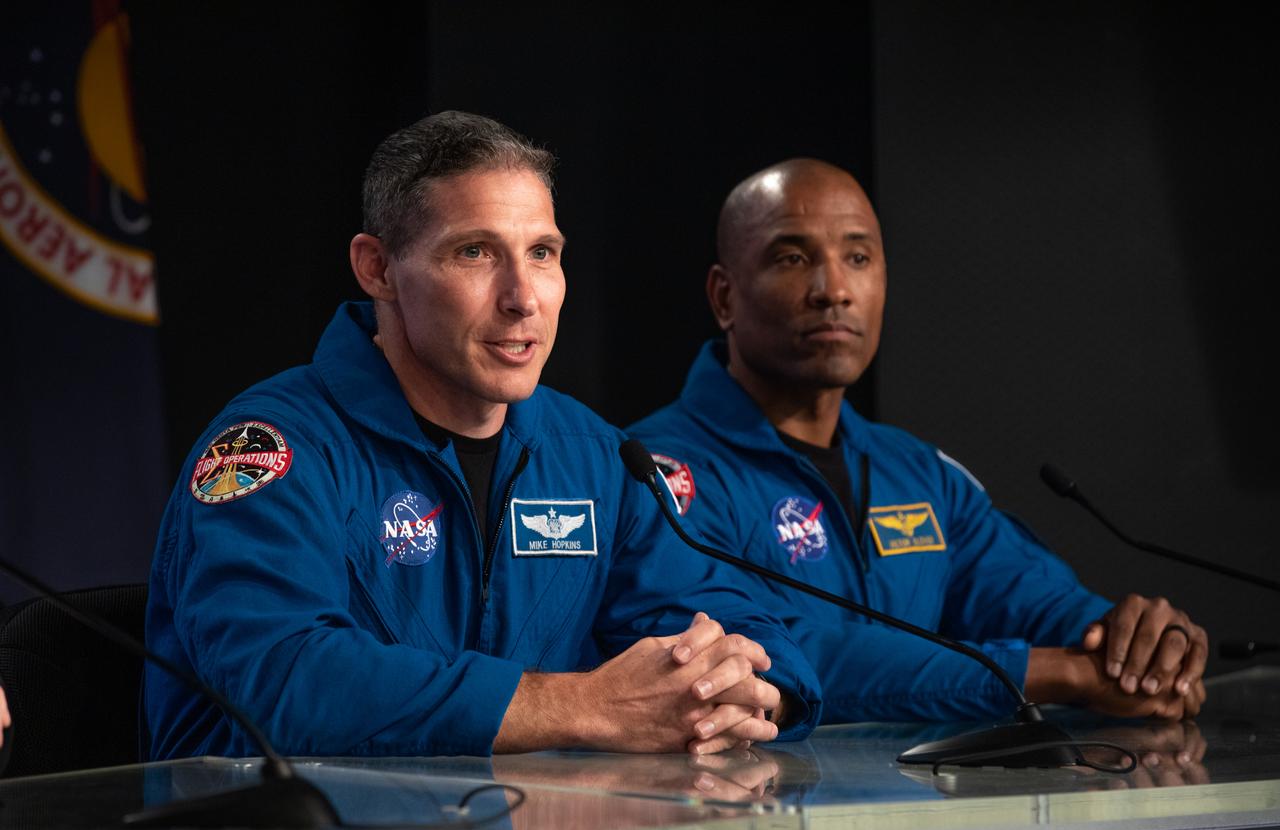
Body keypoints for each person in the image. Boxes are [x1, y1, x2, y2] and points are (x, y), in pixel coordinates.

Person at [143, 113, 822, 760]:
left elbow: (748, 624)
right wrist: (577, 706)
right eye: (475, 252)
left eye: (543, 253)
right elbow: (282, 677)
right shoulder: (272, 447)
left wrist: (751, 693)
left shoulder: (592, 455)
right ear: (377, 267)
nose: (523, 296)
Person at [627, 158, 1207, 723]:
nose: (834, 290)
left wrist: (1133, 645)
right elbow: (768, 656)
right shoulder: (658, 474)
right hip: (762, 811)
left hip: (923, 815)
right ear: (724, 298)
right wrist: (1041, 673)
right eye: (794, 257)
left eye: (857, 257)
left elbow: (1032, 598)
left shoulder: (918, 472)